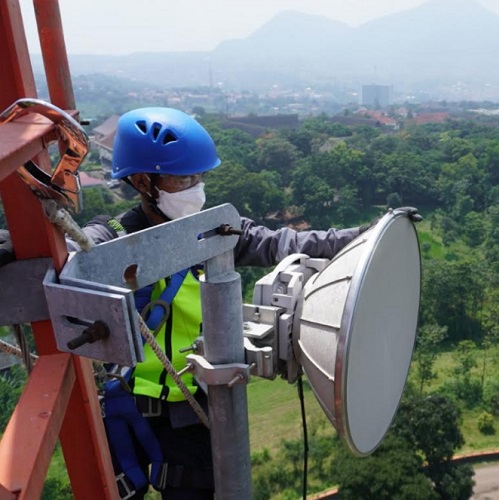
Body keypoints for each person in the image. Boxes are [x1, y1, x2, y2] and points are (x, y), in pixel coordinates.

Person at [78, 107, 362, 499]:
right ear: (144, 181)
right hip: (129, 411)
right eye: (184, 178)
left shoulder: (213, 230)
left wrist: (362, 237)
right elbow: (78, 248)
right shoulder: (114, 235)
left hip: (192, 411)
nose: (197, 187)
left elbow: (285, 243)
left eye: (199, 176)